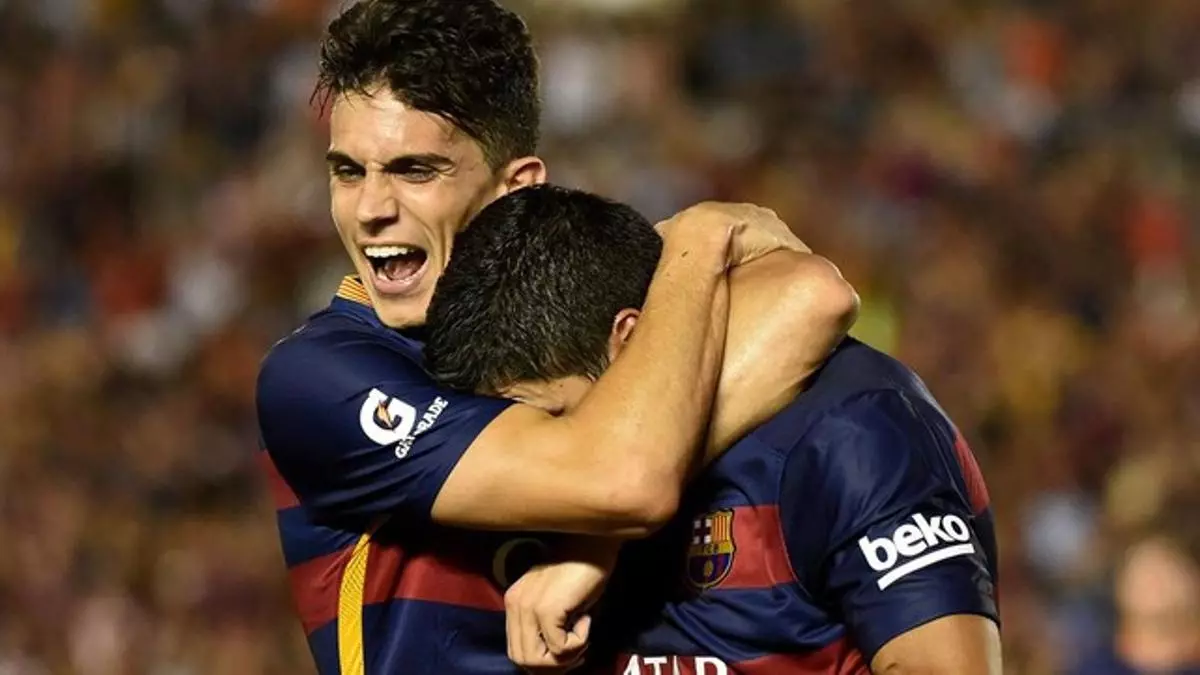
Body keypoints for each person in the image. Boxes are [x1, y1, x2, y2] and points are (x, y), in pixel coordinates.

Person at [254, 1, 859, 673]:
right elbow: (627, 482)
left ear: (516, 188)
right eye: (348, 171)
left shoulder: (571, 293)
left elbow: (813, 295)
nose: (371, 209)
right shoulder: (318, 378)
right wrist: (705, 240)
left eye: (415, 170)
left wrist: (697, 236)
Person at [424, 185, 1003, 674]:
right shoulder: (544, 505)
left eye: (553, 416)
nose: (546, 453)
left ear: (627, 340)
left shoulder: (851, 428)